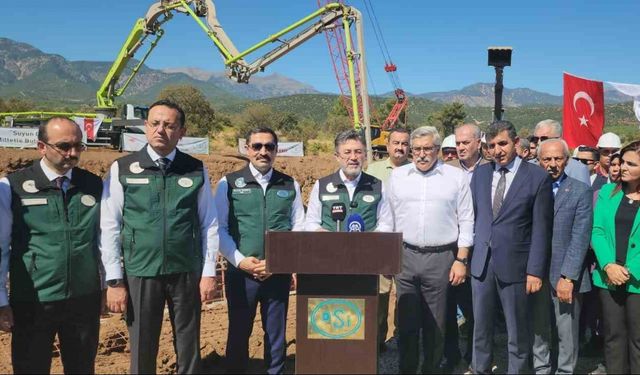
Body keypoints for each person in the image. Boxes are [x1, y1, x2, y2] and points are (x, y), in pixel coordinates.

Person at [100, 99, 219, 374]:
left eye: (169, 125)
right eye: (155, 123)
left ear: (182, 131)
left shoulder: (196, 169)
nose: (161, 130)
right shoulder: (124, 168)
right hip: (141, 271)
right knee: (142, 343)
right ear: (145, 127)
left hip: (186, 270)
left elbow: (209, 224)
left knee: (189, 344)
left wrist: (209, 272)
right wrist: (115, 279)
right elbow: (110, 226)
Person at [0, 117, 103, 374]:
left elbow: (103, 240)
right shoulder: (12, 188)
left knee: (82, 367)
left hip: (83, 300)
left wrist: (105, 286)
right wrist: (1, 300)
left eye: (78, 146)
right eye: (64, 146)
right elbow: (0, 247)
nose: (72, 153)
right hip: (33, 299)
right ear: (41, 146)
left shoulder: (93, 184)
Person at [215, 127, 305, 374]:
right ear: (247, 149)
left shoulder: (290, 184)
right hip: (241, 273)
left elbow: (299, 226)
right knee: (238, 330)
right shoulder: (229, 184)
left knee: (276, 332)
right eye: (257, 146)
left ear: (277, 150)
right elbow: (220, 228)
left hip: (278, 273)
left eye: (269, 146)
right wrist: (240, 261)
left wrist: (280, 261)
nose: (263, 151)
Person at [387, 126, 474, 374]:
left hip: (441, 259)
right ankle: (407, 369)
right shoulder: (398, 177)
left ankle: (431, 369)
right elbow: (388, 218)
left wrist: (461, 259)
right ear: (410, 150)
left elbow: (467, 220)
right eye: (417, 149)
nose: (422, 154)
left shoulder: (456, 178)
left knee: (436, 324)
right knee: (407, 323)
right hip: (405, 257)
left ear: (437, 150)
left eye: (428, 149)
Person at [470, 120, 553, 374]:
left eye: (503, 143)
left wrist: (535, 271)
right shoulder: (481, 173)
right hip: (482, 263)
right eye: (492, 145)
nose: (497, 150)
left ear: (516, 143)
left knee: (517, 330)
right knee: (480, 327)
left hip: (517, 266)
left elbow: (541, 229)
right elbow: (476, 215)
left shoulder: (537, 177)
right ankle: (479, 368)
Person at [531, 139, 593, 374]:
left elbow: (580, 236)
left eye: (558, 159)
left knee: (566, 333)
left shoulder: (580, 191)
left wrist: (568, 276)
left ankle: (565, 371)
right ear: (539, 161)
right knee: (538, 329)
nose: (552, 164)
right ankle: (541, 369)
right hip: (536, 273)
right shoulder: (532, 188)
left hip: (566, 275)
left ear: (567, 161)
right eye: (547, 159)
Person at [442, 123, 488, 370]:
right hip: (450, 249)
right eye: (457, 143)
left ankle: (475, 357)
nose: (460, 147)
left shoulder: (490, 169)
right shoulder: (444, 170)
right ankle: (450, 355)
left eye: (465, 143)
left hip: (480, 250)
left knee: (475, 310)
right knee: (447, 307)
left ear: (478, 143)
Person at [591, 140, 640, 374]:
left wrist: (631, 269)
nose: (623, 168)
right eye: (623, 162)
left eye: (631, 164)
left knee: (637, 341)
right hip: (609, 278)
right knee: (613, 337)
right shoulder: (607, 194)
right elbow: (597, 230)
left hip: (637, 281)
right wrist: (609, 264)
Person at [365, 127, 410, 352]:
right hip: (380, 244)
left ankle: (402, 337)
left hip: (407, 244)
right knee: (380, 294)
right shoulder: (373, 170)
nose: (400, 147)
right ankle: (376, 342)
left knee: (405, 294)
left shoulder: (416, 170)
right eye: (396, 143)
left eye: (404, 143)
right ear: (388, 144)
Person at [304, 129, 392, 233]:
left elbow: (386, 223)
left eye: (358, 152)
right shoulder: (321, 185)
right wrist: (321, 233)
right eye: (347, 152)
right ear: (337, 157)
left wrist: (373, 238)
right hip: (330, 247)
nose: (353, 157)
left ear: (365, 155)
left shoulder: (378, 186)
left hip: (366, 248)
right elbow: (311, 222)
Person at [530, 119, 590, 186]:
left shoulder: (577, 169)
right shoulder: (528, 166)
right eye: (535, 139)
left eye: (544, 139)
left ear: (558, 139)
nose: (539, 143)